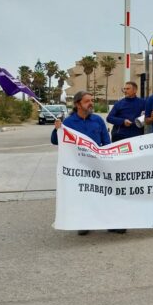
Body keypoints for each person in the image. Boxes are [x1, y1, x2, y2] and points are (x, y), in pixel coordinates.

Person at [51, 91, 117, 235]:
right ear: (77, 104)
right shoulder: (68, 122)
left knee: (105, 194)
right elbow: (56, 141)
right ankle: (84, 222)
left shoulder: (98, 120)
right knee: (83, 195)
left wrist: (108, 158)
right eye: (87, 101)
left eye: (91, 100)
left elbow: (106, 142)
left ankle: (112, 223)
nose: (91, 103)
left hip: (98, 163)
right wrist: (57, 129)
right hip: (79, 166)